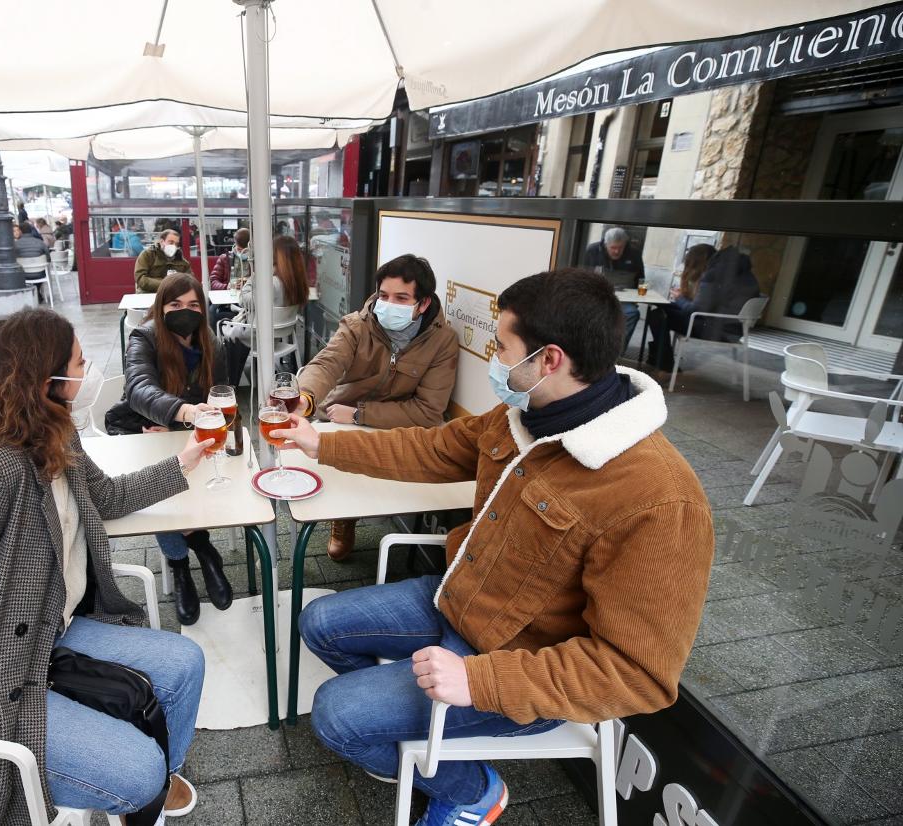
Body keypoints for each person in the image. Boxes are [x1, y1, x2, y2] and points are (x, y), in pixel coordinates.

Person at [274, 269, 715, 826]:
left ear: (549, 359)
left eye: (501, 347)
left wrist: (479, 681)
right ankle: (404, 734)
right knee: (317, 622)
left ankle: (470, 789)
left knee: (336, 717)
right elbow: (433, 448)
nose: (494, 360)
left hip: (516, 660)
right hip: (458, 597)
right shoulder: (528, 413)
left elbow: (636, 675)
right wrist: (321, 444)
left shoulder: (659, 501)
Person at [0, 308, 210, 826]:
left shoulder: (56, 435)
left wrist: (185, 463)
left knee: (184, 664)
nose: (89, 374)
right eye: (81, 363)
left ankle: (156, 782)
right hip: (0, 677)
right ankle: (142, 782)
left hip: (53, 633)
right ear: (47, 380)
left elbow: (106, 499)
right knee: (135, 771)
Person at [294, 254, 459, 560]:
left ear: (423, 303)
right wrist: (305, 397)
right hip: (342, 412)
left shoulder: (443, 341)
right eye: (384, 295)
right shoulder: (358, 325)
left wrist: (360, 415)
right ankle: (343, 519)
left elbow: (429, 412)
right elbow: (328, 362)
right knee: (334, 460)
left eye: (401, 298)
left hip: (393, 420)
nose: (388, 304)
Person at [105, 273, 233, 626]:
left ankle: (200, 551)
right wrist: (184, 412)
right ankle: (187, 561)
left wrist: (195, 420)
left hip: (189, 431)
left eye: (193, 305)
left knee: (211, 476)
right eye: (175, 305)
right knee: (160, 485)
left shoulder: (212, 343)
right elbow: (139, 388)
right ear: (160, 308)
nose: (185, 312)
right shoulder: (143, 338)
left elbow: (220, 395)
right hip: (142, 428)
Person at [645, 244, 760, 371]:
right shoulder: (740, 272)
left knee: (658, 316)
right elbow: (709, 305)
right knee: (664, 309)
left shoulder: (714, 274)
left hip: (716, 330)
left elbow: (696, 310)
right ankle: (658, 360)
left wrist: (679, 298)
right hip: (732, 328)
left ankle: (666, 367)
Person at [220, 234, 309, 385]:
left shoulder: (272, 282)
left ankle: (231, 382)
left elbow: (245, 300)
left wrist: (254, 275)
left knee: (220, 318)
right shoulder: (297, 281)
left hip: (259, 335)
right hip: (279, 334)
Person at [581, 227, 645, 350]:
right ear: (606, 244)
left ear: (625, 245)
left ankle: (616, 352)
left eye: (620, 248)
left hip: (624, 300)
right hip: (597, 297)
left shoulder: (634, 254)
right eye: (613, 248)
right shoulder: (592, 251)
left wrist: (636, 296)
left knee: (632, 313)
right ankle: (592, 349)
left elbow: (640, 279)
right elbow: (582, 275)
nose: (616, 251)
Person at [135, 229, 192, 293]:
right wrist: (165, 284)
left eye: (176, 244)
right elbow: (140, 279)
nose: (174, 246)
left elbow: (190, 281)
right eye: (171, 242)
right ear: (162, 242)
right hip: (148, 294)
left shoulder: (182, 261)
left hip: (172, 296)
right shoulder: (148, 255)